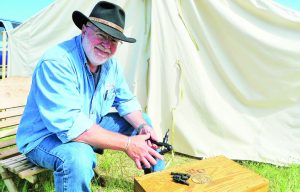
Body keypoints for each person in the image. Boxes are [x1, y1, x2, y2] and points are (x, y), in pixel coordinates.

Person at [16, 1, 164, 191]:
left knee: (144, 123)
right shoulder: (57, 62)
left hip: (86, 123)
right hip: (44, 137)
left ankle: (159, 186)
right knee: (78, 156)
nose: (106, 45)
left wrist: (143, 127)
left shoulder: (111, 65)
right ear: (84, 29)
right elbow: (72, 128)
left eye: (113, 40)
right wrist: (128, 144)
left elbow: (126, 101)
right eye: (101, 35)